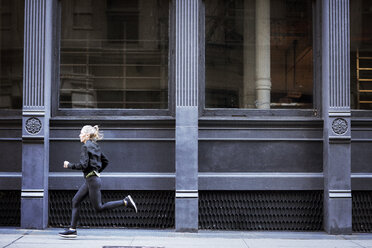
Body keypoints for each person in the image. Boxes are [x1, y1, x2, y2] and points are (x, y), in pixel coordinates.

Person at [59, 125, 137, 238]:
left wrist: (69, 165)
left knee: (99, 208)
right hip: (91, 179)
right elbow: (106, 161)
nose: (79, 135)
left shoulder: (85, 146)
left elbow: (83, 165)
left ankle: (125, 202)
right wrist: (96, 171)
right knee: (75, 201)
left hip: (92, 180)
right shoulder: (95, 146)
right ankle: (72, 229)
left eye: (81, 133)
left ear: (86, 135)